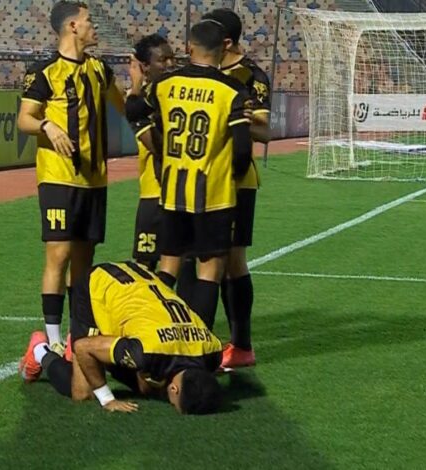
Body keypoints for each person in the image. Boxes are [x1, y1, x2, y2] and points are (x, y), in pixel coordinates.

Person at [126, 20, 253, 330]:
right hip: (214, 196)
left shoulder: (165, 84)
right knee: (209, 270)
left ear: (189, 48)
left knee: (168, 264)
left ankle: (155, 330)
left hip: (172, 191)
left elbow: (135, 112)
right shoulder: (232, 90)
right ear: (221, 50)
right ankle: (198, 343)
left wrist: (135, 87)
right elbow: (242, 150)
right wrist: (232, 179)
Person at [18, 1, 125, 347]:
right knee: (59, 253)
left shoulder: (100, 69)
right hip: (59, 176)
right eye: (89, 20)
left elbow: (125, 105)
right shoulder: (45, 71)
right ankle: (52, 337)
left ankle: (77, 333)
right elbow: (24, 119)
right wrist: (47, 126)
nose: (95, 26)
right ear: (72, 27)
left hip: (95, 179)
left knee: (84, 257)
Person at [18, 261, 223, 414]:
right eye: (173, 402)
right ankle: (40, 351)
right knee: (83, 392)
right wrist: (107, 398)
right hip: (98, 286)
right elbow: (83, 347)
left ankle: (105, 354)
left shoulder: (213, 351)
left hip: (139, 281)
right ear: (174, 388)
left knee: (147, 385)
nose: (170, 401)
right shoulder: (145, 352)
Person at [201, 8, 272, 369]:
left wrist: (239, 121)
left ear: (226, 41)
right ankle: (200, 338)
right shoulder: (203, 70)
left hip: (236, 180)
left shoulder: (251, 77)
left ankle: (241, 345)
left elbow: (264, 130)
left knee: (232, 261)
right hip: (199, 179)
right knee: (197, 259)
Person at [127, 34, 176, 270]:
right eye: (163, 60)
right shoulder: (141, 100)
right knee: (146, 266)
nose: (170, 64)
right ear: (144, 66)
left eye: (172, 58)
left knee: (183, 263)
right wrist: (136, 86)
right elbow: (156, 148)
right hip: (154, 194)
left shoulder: (178, 92)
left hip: (179, 192)